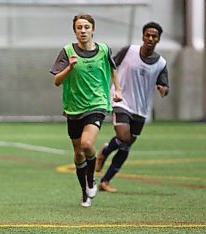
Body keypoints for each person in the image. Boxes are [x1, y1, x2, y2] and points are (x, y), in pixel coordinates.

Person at [50, 13, 122, 208]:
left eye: (86, 27)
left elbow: (113, 69)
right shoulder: (67, 52)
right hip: (73, 108)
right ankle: (84, 192)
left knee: (87, 144)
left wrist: (118, 90)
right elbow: (57, 81)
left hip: (97, 104)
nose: (83, 31)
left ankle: (91, 180)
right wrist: (69, 68)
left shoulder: (104, 50)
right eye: (79, 27)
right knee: (78, 153)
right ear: (74, 31)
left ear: (93, 30)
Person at [95, 22, 169, 193]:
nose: (150, 38)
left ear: (158, 39)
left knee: (126, 145)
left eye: (154, 36)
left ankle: (105, 181)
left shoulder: (161, 63)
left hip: (141, 109)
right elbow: (111, 65)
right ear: (143, 36)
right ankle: (104, 153)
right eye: (148, 35)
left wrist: (163, 89)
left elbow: (164, 84)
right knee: (123, 136)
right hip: (121, 100)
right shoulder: (129, 51)